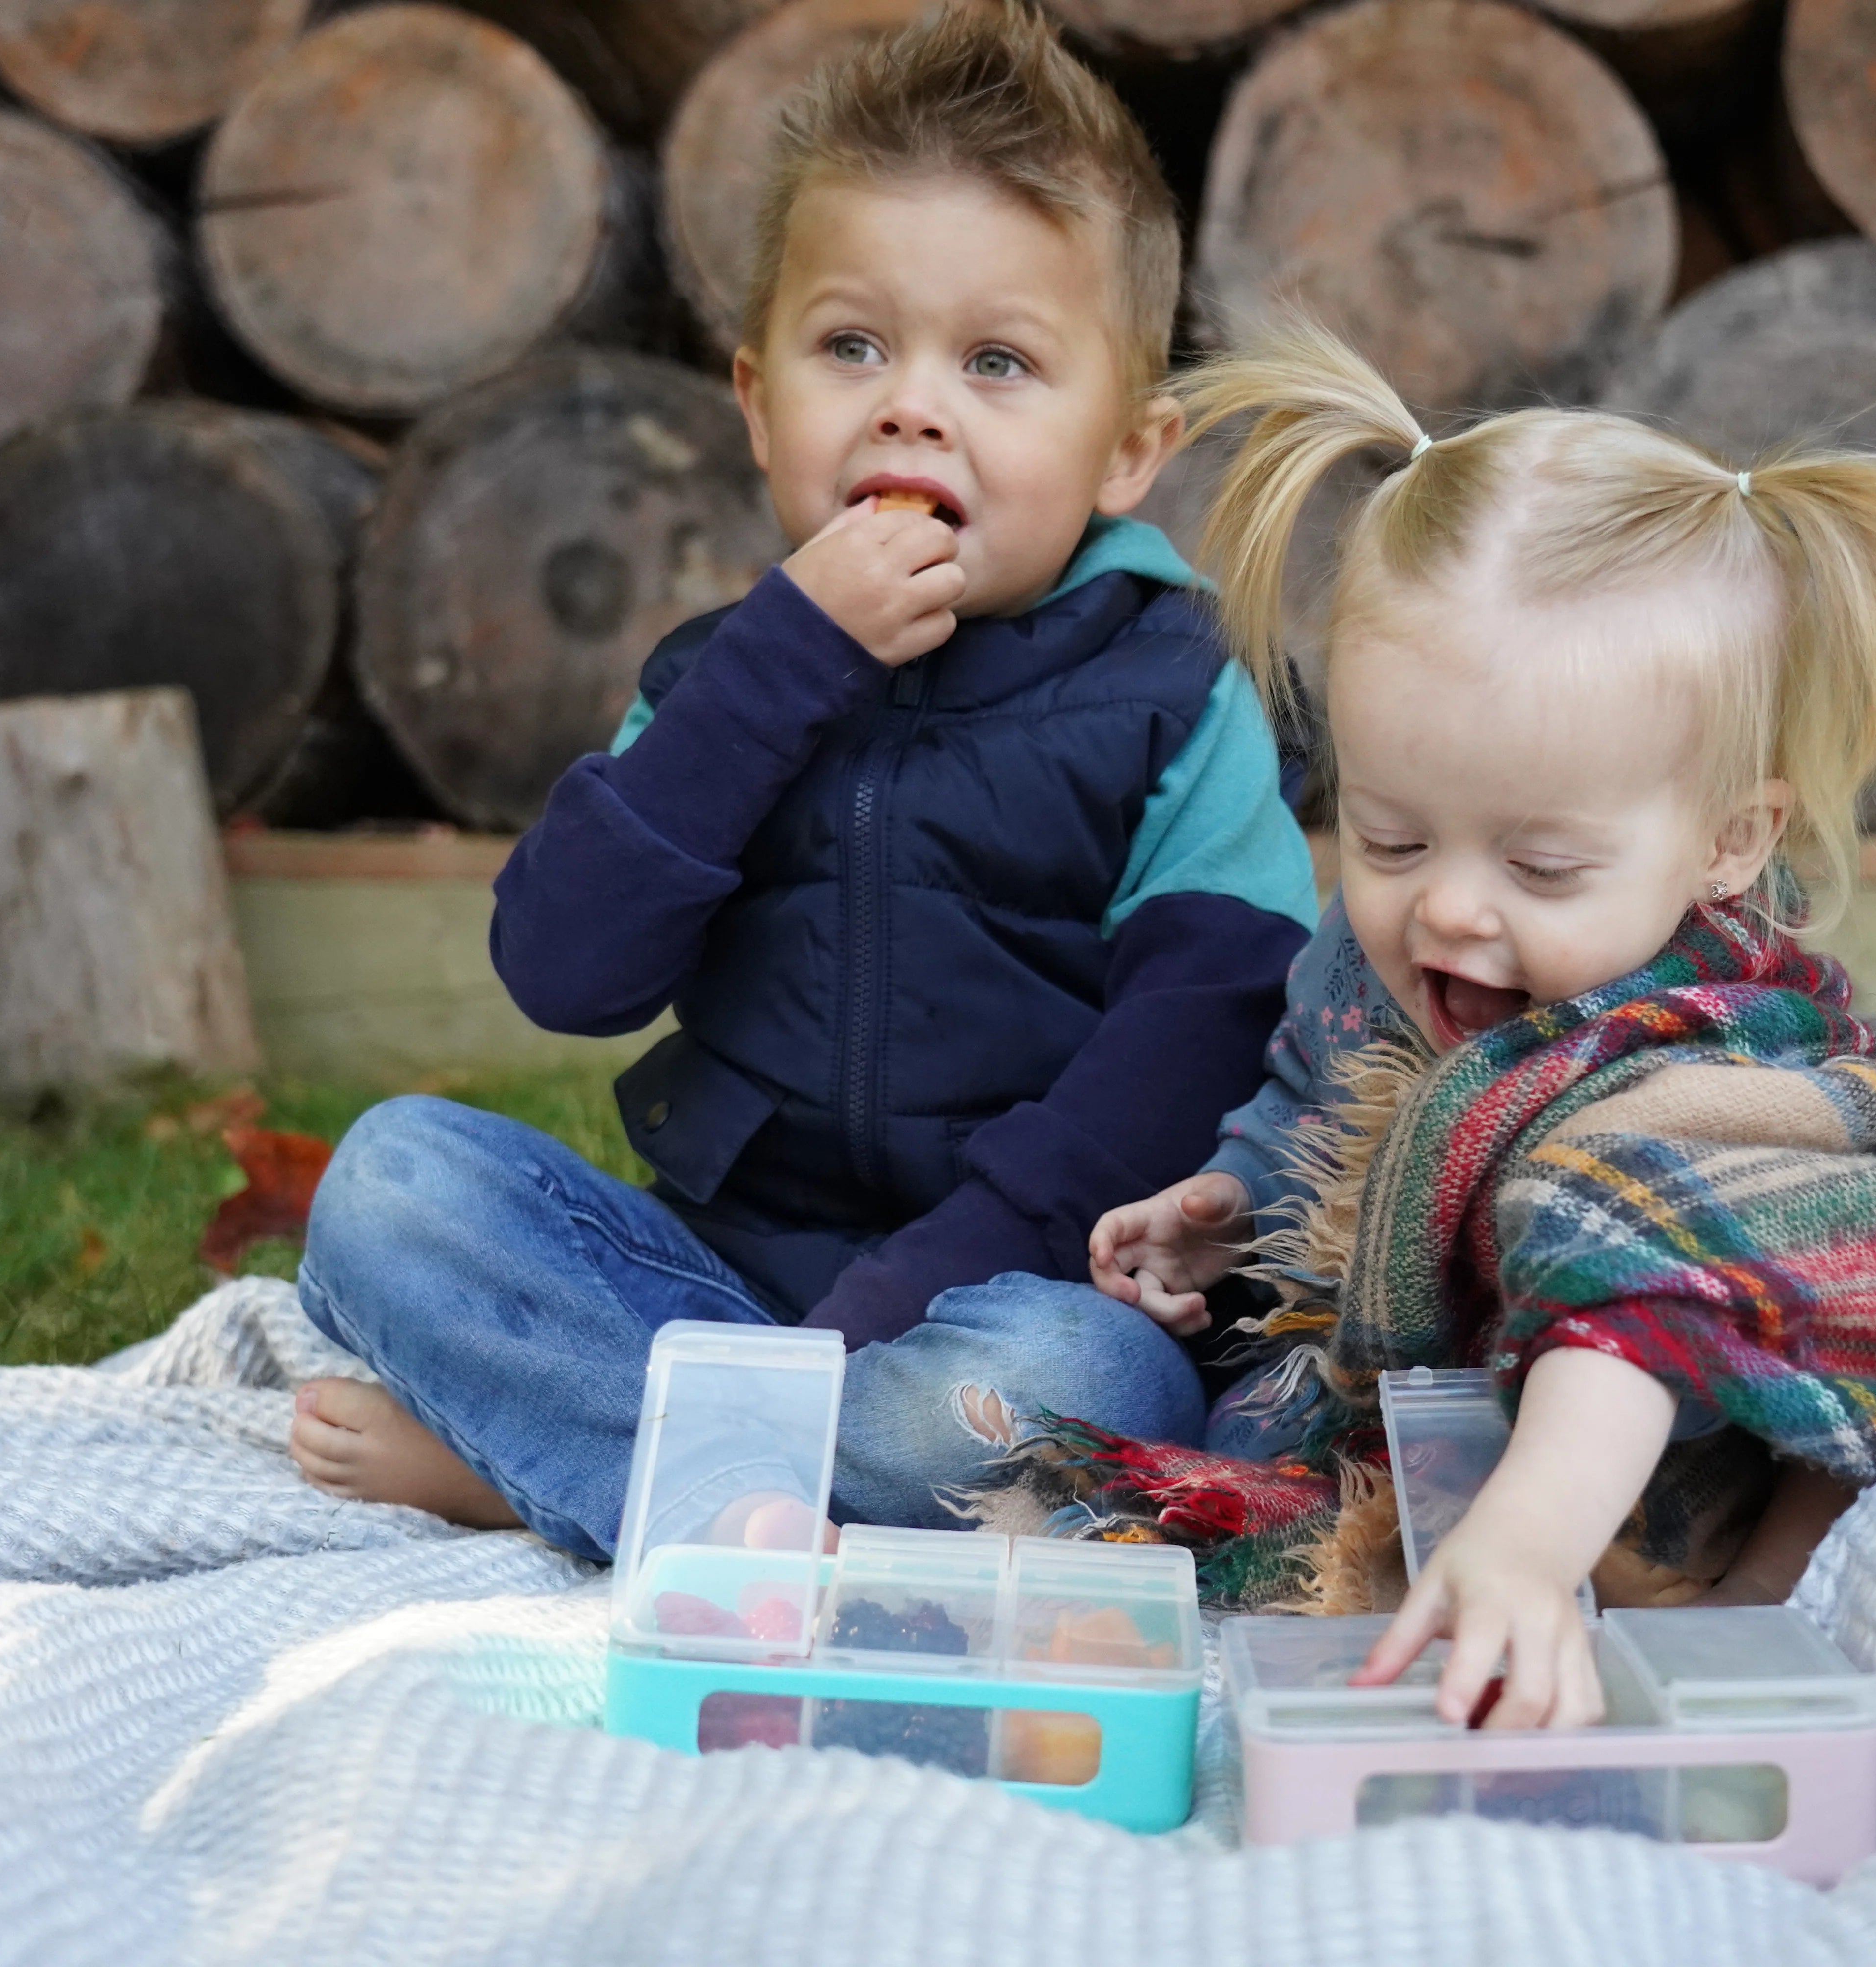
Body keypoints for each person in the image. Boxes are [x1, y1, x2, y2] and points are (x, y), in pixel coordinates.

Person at [1007, 319, 1876, 1728]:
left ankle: (1745, 1602)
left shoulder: (1706, 1051)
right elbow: (1319, 1100)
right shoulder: (1370, 959)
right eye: (1391, 839)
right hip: (1488, 1392)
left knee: (1836, 1485)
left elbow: (1637, 1291)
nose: (1447, 909)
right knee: (1215, 1435)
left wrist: (1526, 1545)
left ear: (1728, 843)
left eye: (1540, 868)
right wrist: (1232, 1202)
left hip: (1729, 1384)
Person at [284, 2, 1317, 1561]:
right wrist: (783, 666)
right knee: (394, 1183)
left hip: (1012, 1295)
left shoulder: (1178, 693)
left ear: (1128, 449)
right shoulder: (728, 680)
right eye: (853, 348)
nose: (913, 404)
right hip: (724, 1274)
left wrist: (881, 1317)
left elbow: (1187, 1063)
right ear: (760, 403)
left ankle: (568, 1459)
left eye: (998, 361)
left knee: (1068, 1395)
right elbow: (563, 972)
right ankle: (711, 1473)